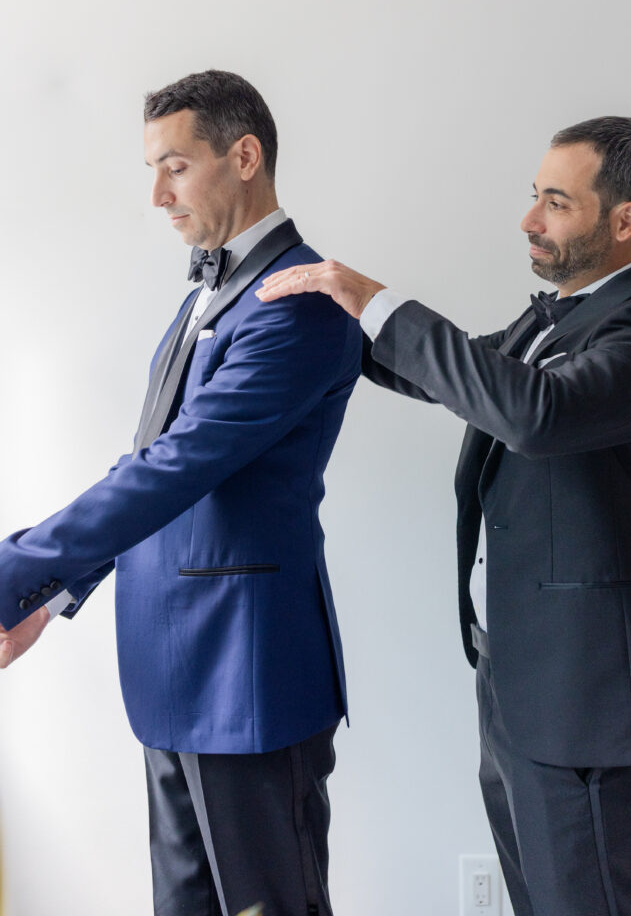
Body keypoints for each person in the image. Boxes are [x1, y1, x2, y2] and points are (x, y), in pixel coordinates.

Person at [256, 116, 631, 916]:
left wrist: (377, 298)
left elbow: (534, 413)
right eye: (534, 196)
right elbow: (446, 375)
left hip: (586, 705)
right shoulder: (555, 318)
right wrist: (324, 315)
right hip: (515, 682)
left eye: (557, 203)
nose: (530, 219)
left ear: (626, 219)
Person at [0, 69, 361, 916]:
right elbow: (151, 465)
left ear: (243, 156)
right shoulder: (211, 291)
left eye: (175, 166)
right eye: (152, 171)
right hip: (173, 670)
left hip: (248, 677)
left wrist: (14, 568)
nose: (158, 195)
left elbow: (181, 464)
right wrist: (51, 599)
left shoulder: (298, 302)